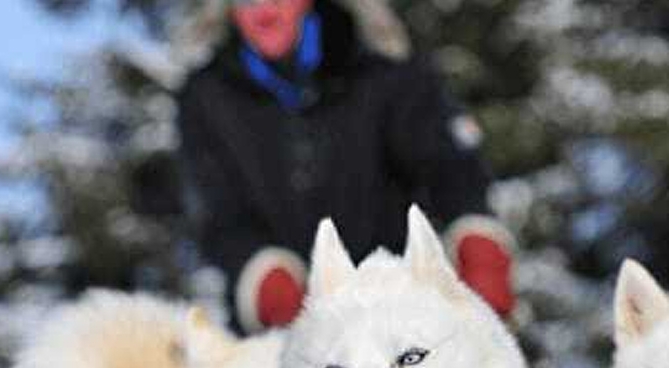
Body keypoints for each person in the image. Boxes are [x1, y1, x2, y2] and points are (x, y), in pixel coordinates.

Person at [176, 0, 516, 333]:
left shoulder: (383, 69)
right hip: (280, 334)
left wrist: (476, 237)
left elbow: (448, 166)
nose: (264, 9)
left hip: (399, 312)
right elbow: (218, 210)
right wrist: (264, 275)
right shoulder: (205, 96)